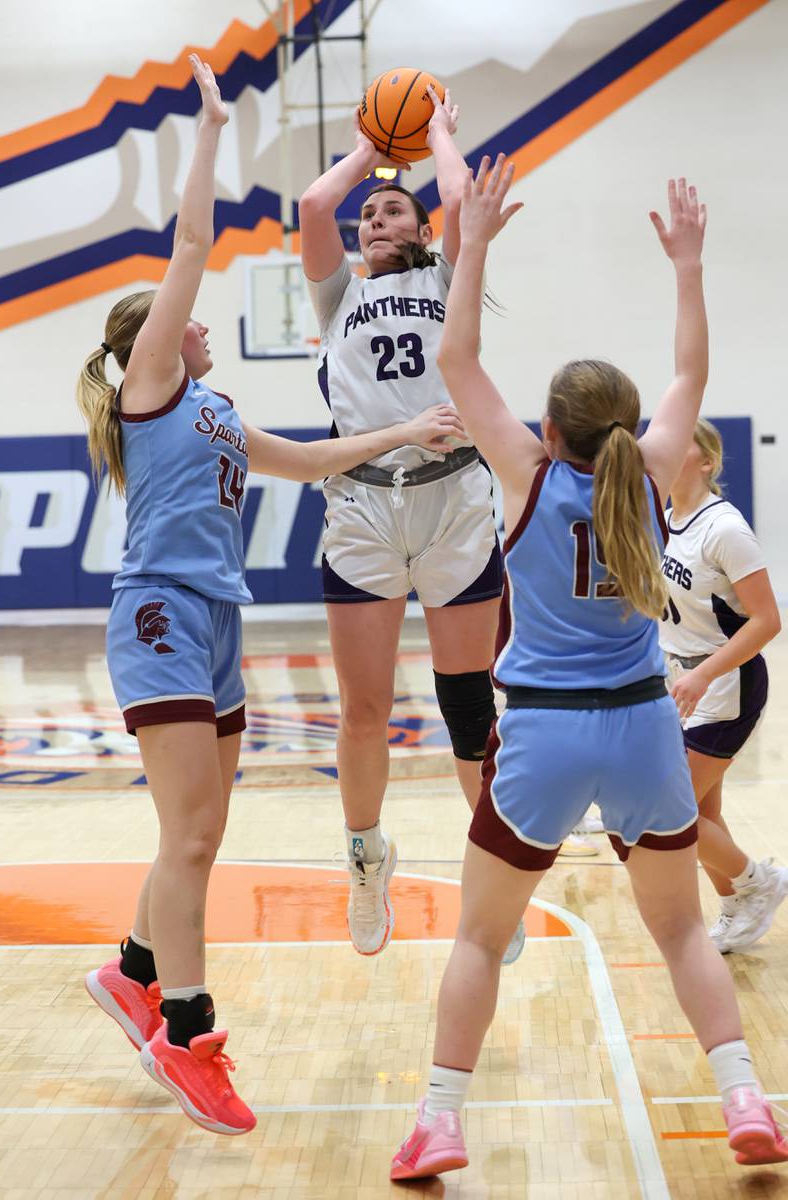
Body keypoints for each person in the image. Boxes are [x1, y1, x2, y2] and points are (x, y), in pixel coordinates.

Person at [76, 55, 468, 1138]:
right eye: (181, 318)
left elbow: (304, 460)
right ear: (150, 339)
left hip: (214, 619)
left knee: (201, 826)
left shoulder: (211, 406)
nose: (199, 323)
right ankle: (188, 1031)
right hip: (158, 611)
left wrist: (409, 432)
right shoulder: (156, 380)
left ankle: (134, 970)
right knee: (192, 836)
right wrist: (208, 128)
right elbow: (195, 247)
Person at [390, 160, 788, 1180]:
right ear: (620, 426)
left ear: (551, 429)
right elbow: (689, 373)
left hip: (542, 737)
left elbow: (454, 354)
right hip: (645, 729)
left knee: (479, 940)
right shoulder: (657, 471)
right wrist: (688, 267)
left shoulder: (522, 473)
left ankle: (439, 1119)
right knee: (679, 933)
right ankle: (743, 1093)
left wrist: (471, 239)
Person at [298, 89, 526, 965]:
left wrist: (438, 139)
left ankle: (492, 881)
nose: (373, 217)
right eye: (370, 213)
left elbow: (464, 205)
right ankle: (365, 857)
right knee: (363, 711)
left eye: (393, 207)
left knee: (468, 710)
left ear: (422, 227)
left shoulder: (446, 278)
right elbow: (317, 204)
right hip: (361, 504)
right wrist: (369, 148)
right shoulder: (334, 300)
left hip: (454, 501)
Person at [661, 418, 784, 952]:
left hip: (725, 682)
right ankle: (739, 905)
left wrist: (703, 674)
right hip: (682, 678)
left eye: (676, 439)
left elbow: (767, 621)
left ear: (706, 460)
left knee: (670, 814)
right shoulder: (665, 518)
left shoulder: (725, 528)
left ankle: (760, 882)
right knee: (702, 814)